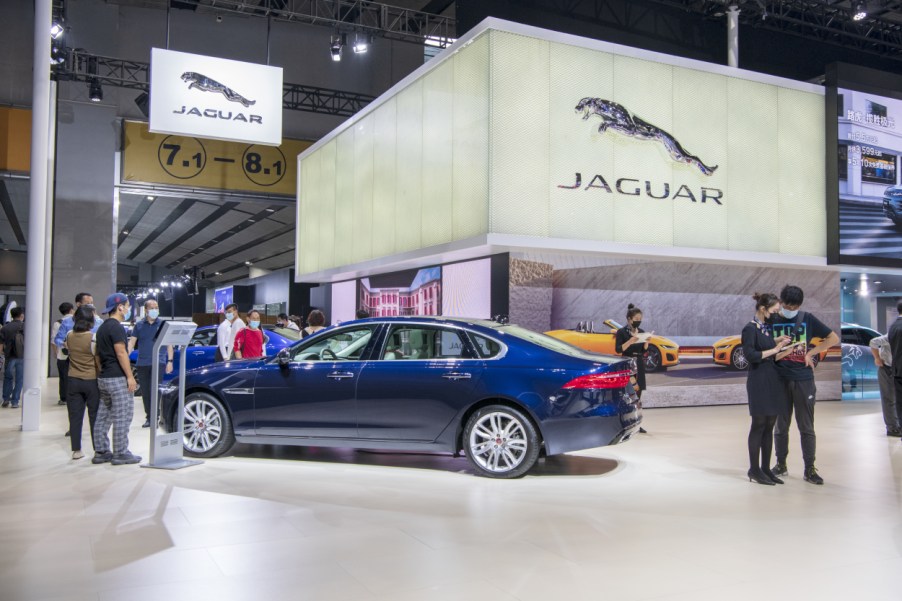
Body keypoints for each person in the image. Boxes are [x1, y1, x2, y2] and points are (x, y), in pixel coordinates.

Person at [770, 285, 839, 485]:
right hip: (779, 379)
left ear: (800, 305)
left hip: (803, 380)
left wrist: (811, 353)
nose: (791, 308)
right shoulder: (774, 319)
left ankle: (810, 468)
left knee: (806, 426)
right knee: (781, 425)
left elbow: (833, 338)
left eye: (795, 305)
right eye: (787, 305)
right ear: (781, 303)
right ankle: (780, 464)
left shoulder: (807, 318)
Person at [742, 293, 793, 485]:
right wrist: (774, 349)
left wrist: (780, 343)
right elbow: (751, 355)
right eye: (774, 310)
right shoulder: (749, 328)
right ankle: (754, 469)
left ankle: (765, 468)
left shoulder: (765, 329)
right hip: (758, 381)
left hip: (772, 379)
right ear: (763, 309)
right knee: (759, 424)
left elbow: (767, 348)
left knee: (770, 424)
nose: (777, 313)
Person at [92, 293, 141, 465]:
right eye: (127, 306)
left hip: (104, 377)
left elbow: (97, 355)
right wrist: (130, 376)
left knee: (103, 416)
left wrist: (102, 372)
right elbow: (121, 353)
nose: (128, 309)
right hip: (117, 378)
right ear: (120, 307)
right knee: (122, 415)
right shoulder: (117, 327)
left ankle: (101, 451)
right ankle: (120, 453)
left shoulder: (102, 328)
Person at [128, 299, 174, 428]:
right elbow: (132, 342)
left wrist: (170, 361)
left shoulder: (163, 324)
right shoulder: (139, 325)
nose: (155, 310)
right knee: (146, 391)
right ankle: (149, 417)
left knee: (156, 391)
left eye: (156, 307)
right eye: (152, 307)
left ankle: (156, 417)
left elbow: (169, 344)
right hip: (142, 363)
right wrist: (125, 354)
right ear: (146, 310)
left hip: (158, 362)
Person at [64, 306, 101, 460]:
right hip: (91, 381)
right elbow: (98, 362)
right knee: (94, 416)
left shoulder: (69, 335)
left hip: (73, 380)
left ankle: (76, 450)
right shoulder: (93, 338)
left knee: (75, 416)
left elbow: (67, 351)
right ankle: (98, 449)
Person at [615, 304, 648, 433]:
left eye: (640, 318)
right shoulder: (622, 332)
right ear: (629, 319)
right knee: (627, 393)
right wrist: (630, 341)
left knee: (638, 394)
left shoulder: (641, 331)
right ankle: (622, 422)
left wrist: (647, 342)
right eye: (636, 318)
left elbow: (643, 351)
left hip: (639, 363)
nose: (639, 321)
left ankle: (636, 422)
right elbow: (618, 349)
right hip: (627, 363)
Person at [869, 329, 902, 437]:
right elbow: (873, 342)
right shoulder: (891, 336)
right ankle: (892, 428)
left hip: (898, 369)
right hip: (887, 369)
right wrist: (877, 358)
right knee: (889, 400)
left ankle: (898, 424)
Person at [0, 307, 25, 408]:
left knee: (8, 377)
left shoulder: (5, 327)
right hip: (22, 356)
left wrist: (2, 353)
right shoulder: (25, 326)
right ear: (21, 315)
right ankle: (15, 401)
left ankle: (6, 399)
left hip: (9, 356)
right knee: (19, 379)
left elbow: (1, 343)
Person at [51, 302, 75, 405]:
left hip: (62, 354)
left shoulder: (57, 323)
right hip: (76, 354)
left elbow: (53, 340)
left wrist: (55, 352)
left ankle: (64, 398)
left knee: (63, 377)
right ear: (71, 310)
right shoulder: (77, 321)